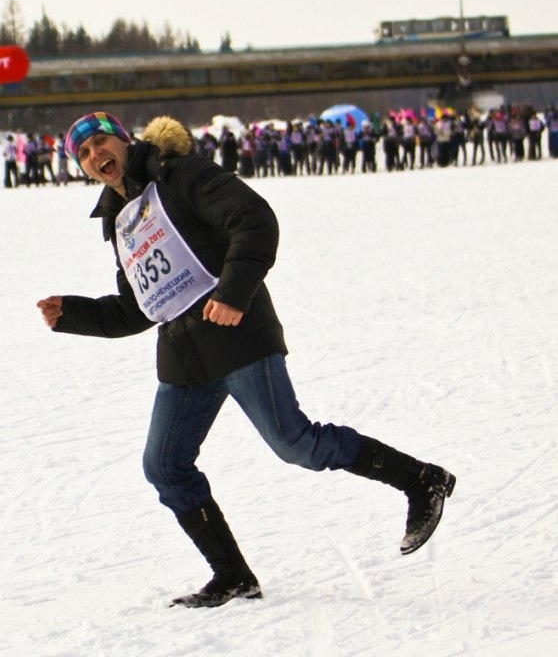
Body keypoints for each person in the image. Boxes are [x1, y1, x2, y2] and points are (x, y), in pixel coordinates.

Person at [37, 111, 456, 609]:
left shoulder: (181, 174)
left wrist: (235, 293)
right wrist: (74, 314)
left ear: (125, 142)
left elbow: (254, 221)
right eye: (83, 155)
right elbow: (138, 308)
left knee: (295, 443)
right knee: (165, 465)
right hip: (184, 356)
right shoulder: (122, 218)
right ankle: (233, 576)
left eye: (101, 143)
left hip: (238, 336)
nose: (95, 157)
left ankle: (422, 480)